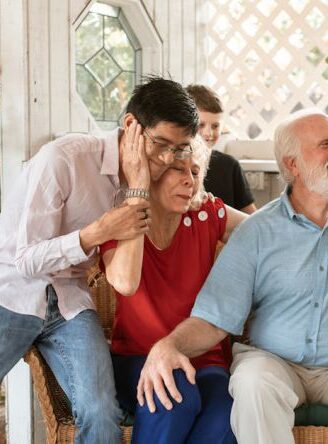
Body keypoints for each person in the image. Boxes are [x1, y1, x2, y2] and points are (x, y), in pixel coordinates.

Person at [129, 109, 328, 444]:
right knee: (251, 381)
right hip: (275, 364)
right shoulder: (258, 231)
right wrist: (169, 345)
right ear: (292, 165)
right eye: (325, 144)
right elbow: (215, 318)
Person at [0, 76, 199, 443]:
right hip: (12, 290)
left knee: (100, 413)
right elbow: (26, 260)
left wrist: (139, 186)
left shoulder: (150, 182)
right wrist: (96, 233)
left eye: (180, 149)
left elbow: (207, 205)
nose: (168, 159)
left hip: (69, 303)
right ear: (130, 126)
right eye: (160, 145)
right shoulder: (65, 158)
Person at [101, 133, 246, 443]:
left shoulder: (207, 214)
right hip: (136, 357)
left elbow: (264, 230)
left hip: (205, 360)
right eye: (179, 170)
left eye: (195, 172)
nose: (189, 181)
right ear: (154, 173)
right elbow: (124, 282)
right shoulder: (122, 221)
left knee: (227, 418)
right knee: (174, 395)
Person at [185, 84, 257, 214]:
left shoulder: (230, 166)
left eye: (215, 126)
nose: (208, 133)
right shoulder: (175, 165)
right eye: (200, 125)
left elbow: (251, 217)